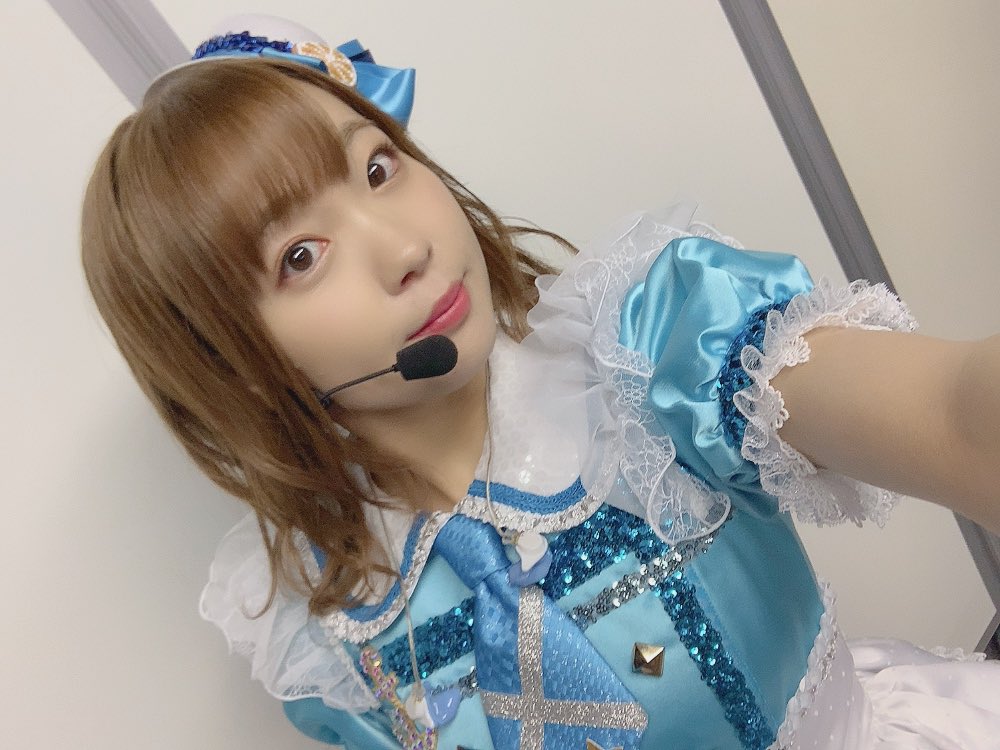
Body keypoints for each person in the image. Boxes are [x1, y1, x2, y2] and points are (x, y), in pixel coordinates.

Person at [81, 14, 1000, 750]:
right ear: (228, 361)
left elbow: (956, 415)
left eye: (378, 167)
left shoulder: (651, 352)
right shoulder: (316, 630)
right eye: (302, 255)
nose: (405, 247)